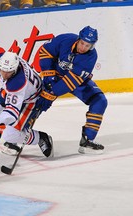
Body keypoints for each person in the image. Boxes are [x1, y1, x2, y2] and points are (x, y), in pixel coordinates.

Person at [37, 26, 107, 154]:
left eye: (87, 45)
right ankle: (17, 137)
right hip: (54, 76)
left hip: (72, 81)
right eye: (82, 43)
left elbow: (71, 82)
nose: (83, 48)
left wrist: (51, 92)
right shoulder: (66, 39)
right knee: (36, 104)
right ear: (78, 39)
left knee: (100, 101)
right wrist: (49, 76)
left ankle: (87, 141)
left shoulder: (91, 56)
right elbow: (45, 52)